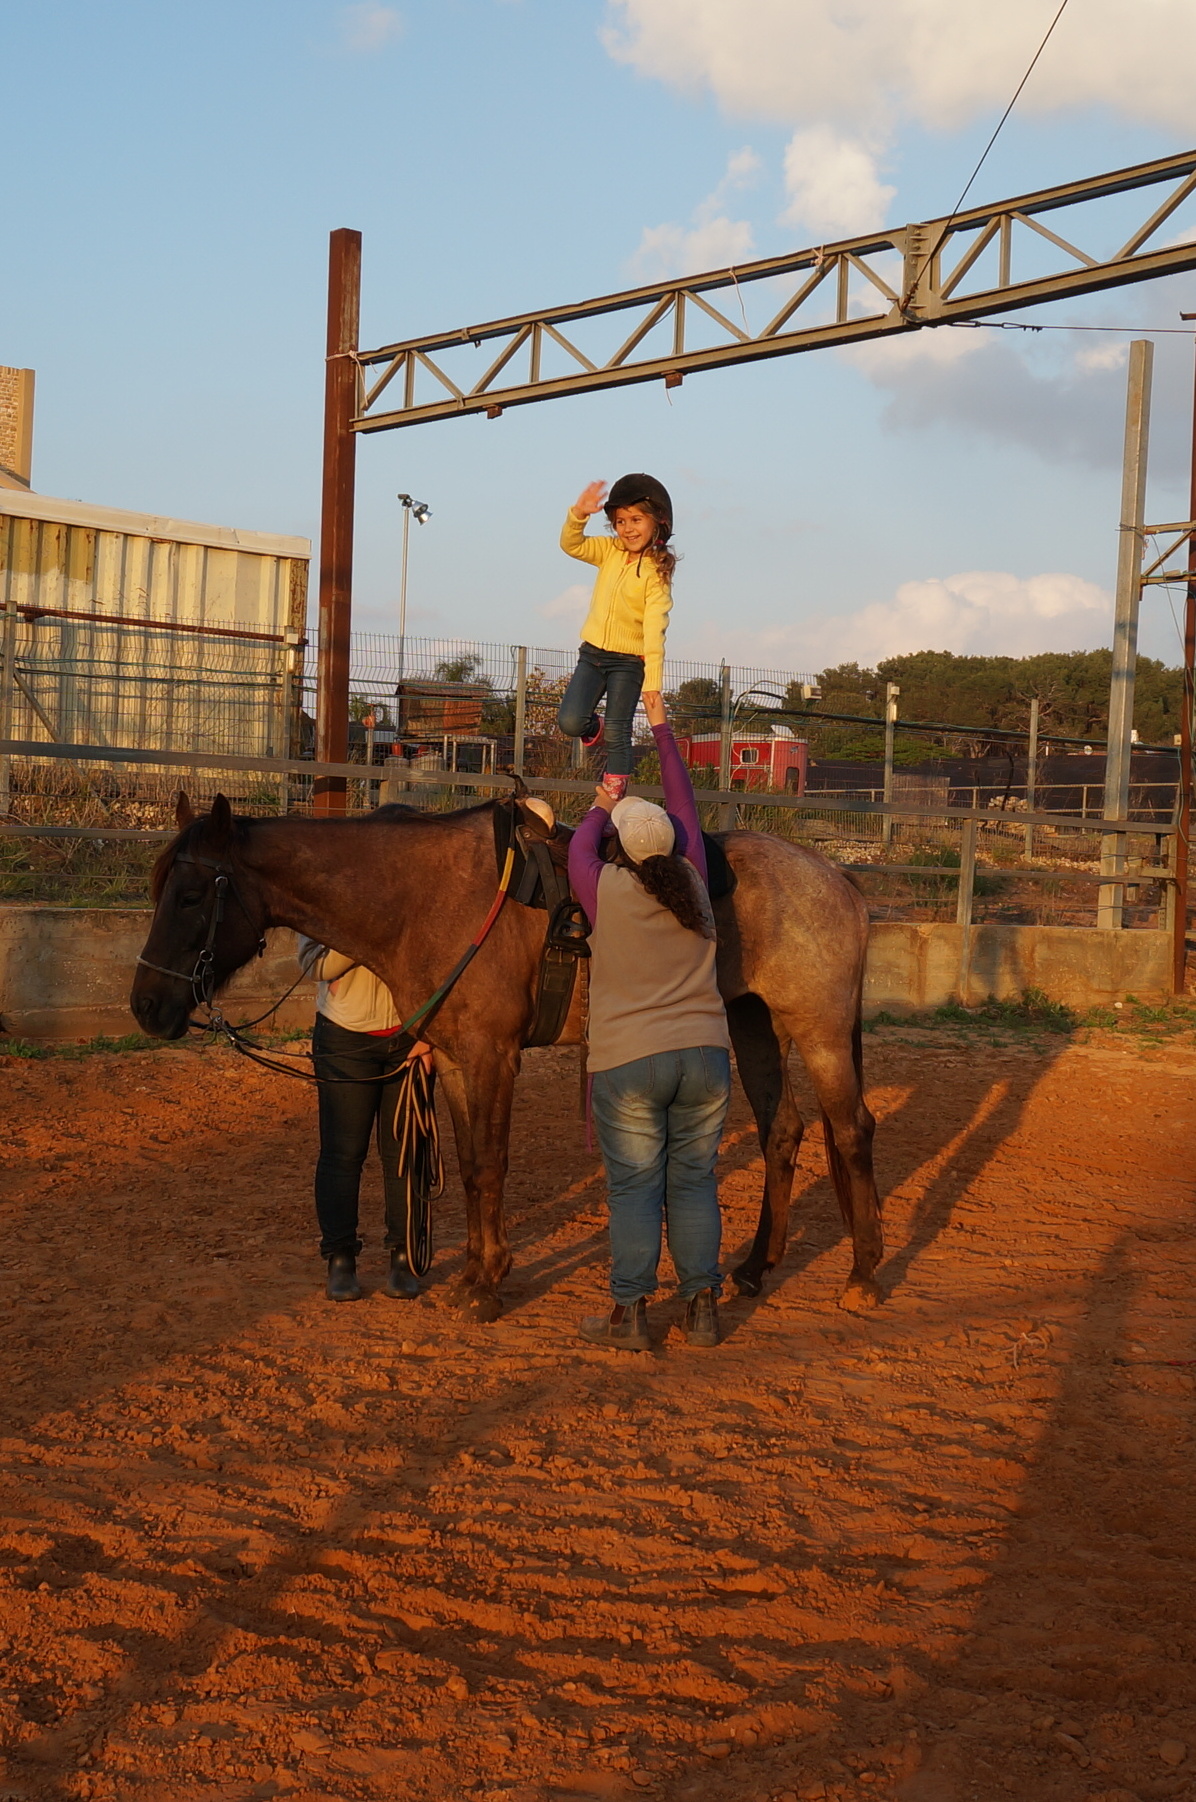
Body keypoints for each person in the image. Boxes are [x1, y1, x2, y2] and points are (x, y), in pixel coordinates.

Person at [567, 689, 731, 1350]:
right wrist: (661, 727)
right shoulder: (693, 879)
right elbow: (684, 804)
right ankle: (702, 1310)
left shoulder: (603, 887)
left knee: (635, 1189)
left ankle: (631, 1314)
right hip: (706, 1056)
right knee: (693, 1183)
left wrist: (605, 798)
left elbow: (579, 845)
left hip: (630, 1059)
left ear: (624, 849)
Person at [298, 938, 433, 1303]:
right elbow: (315, 964)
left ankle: (404, 1255)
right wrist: (368, 926)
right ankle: (340, 1257)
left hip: (411, 1036)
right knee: (342, 1153)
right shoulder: (329, 899)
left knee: (406, 1150)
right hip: (344, 1036)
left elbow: (444, 956)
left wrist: (431, 1035)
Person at [556, 473, 675, 802]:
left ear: (658, 523)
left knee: (617, 729)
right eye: (620, 521)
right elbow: (571, 545)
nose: (628, 529)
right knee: (570, 722)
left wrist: (652, 682)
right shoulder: (609, 550)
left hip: (629, 662)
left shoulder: (656, 572)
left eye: (636, 520)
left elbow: (655, 629)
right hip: (592, 654)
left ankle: (615, 792)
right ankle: (592, 727)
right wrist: (578, 515)